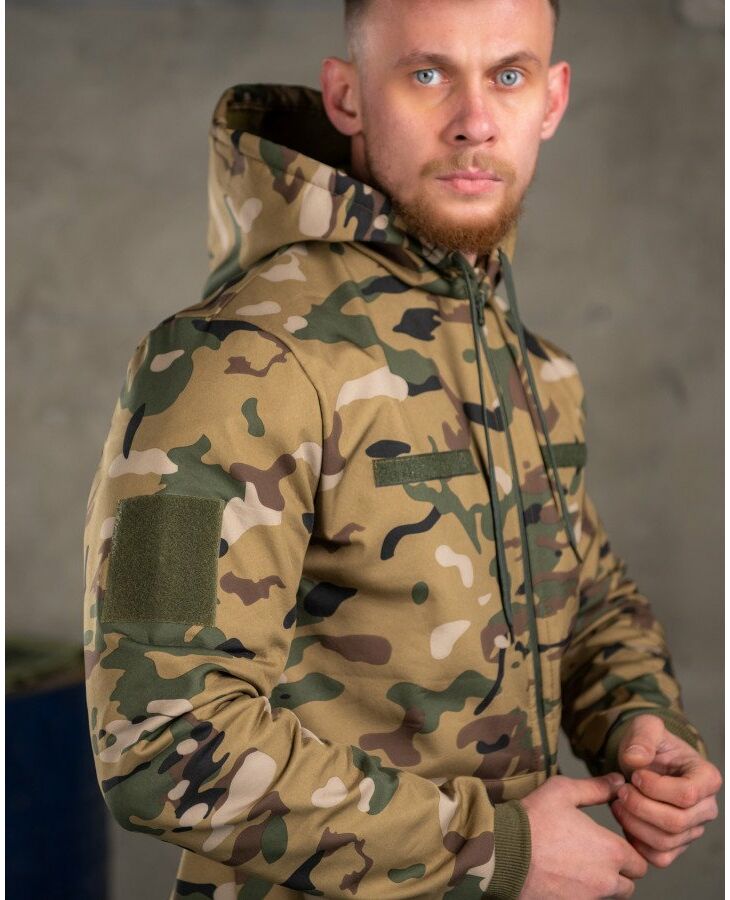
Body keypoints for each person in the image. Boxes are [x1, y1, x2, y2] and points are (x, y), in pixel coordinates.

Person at [82, 1, 721, 898]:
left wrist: (639, 725)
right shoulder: (232, 360)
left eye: (508, 75)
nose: (474, 121)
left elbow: (586, 593)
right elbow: (160, 741)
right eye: (427, 74)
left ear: (552, 98)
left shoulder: (530, 365)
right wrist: (496, 849)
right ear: (347, 95)